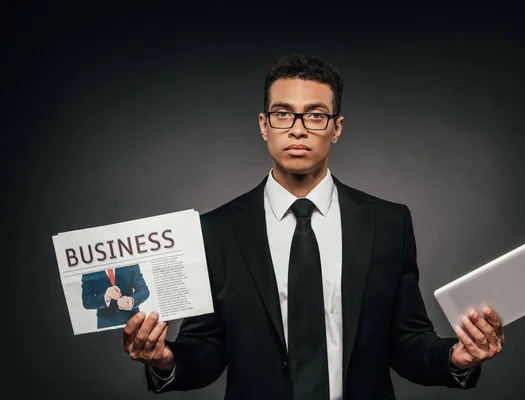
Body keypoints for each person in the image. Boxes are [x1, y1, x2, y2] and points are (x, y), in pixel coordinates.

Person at [122, 54, 505, 399]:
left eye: (316, 115)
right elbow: (205, 349)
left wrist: (457, 357)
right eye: (283, 114)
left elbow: (406, 342)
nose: (298, 129)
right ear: (264, 124)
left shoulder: (388, 223)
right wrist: (165, 359)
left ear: (336, 128)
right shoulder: (215, 231)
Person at [82, 263, 149, 329]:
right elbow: (86, 301)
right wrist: (105, 297)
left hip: (133, 320)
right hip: (106, 325)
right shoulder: (88, 271)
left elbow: (144, 290)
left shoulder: (130, 263)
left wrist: (131, 300)